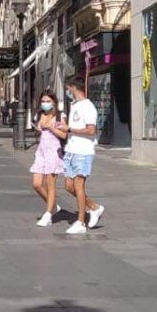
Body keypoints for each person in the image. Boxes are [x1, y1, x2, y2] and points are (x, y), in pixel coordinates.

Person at [62, 76, 105, 235]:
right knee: (68, 186)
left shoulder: (88, 107)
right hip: (71, 150)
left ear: (73, 88)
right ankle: (94, 207)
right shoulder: (75, 105)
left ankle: (80, 222)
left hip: (83, 151)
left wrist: (70, 129)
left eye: (68, 89)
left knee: (79, 186)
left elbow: (91, 130)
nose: (67, 92)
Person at [30, 90, 66, 227]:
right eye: (43, 101)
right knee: (37, 184)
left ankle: (48, 214)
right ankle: (53, 205)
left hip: (54, 151)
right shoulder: (40, 115)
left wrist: (50, 127)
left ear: (54, 102)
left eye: (48, 101)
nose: (45, 104)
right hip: (41, 152)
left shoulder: (59, 116)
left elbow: (64, 136)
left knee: (51, 184)